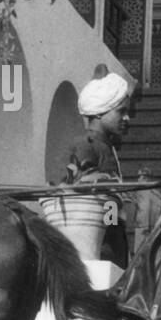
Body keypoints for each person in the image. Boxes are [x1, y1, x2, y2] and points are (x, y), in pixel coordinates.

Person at [62, 71, 132, 267]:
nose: (127, 118)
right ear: (100, 112)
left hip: (110, 238)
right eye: (121, 112)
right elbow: (84, 198)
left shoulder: (106, 147)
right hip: (96, 244)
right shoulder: (86, 145)